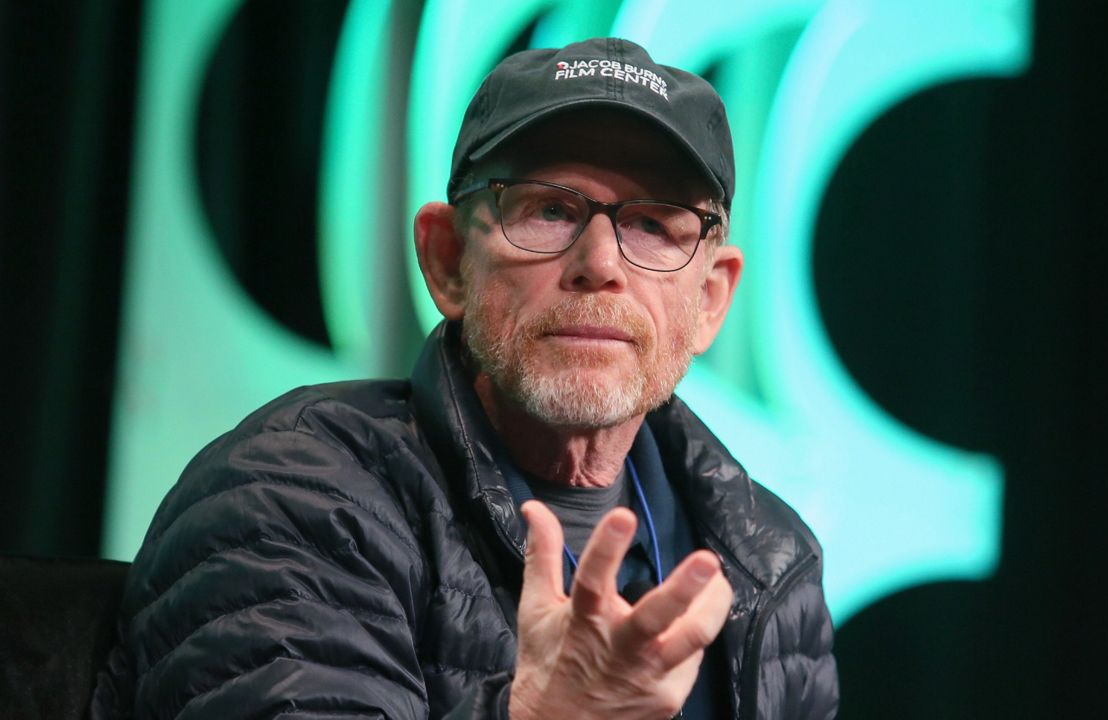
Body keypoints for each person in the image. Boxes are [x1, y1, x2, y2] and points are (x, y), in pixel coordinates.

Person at [92, 37, 838, 720]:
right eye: (548, 210)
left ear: (710, 300)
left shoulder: (772, 561)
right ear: (447, 260)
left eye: (653, 224)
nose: (601, 264)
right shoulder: (289, 498)